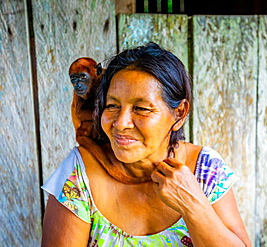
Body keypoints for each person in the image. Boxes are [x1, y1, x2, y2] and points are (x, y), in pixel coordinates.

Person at [41, 42, 251, 247]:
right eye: (112, 105)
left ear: (179, 113)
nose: (121, 123)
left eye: (141, 108)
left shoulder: (205, 170)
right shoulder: (79, 174)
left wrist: (192, 204)